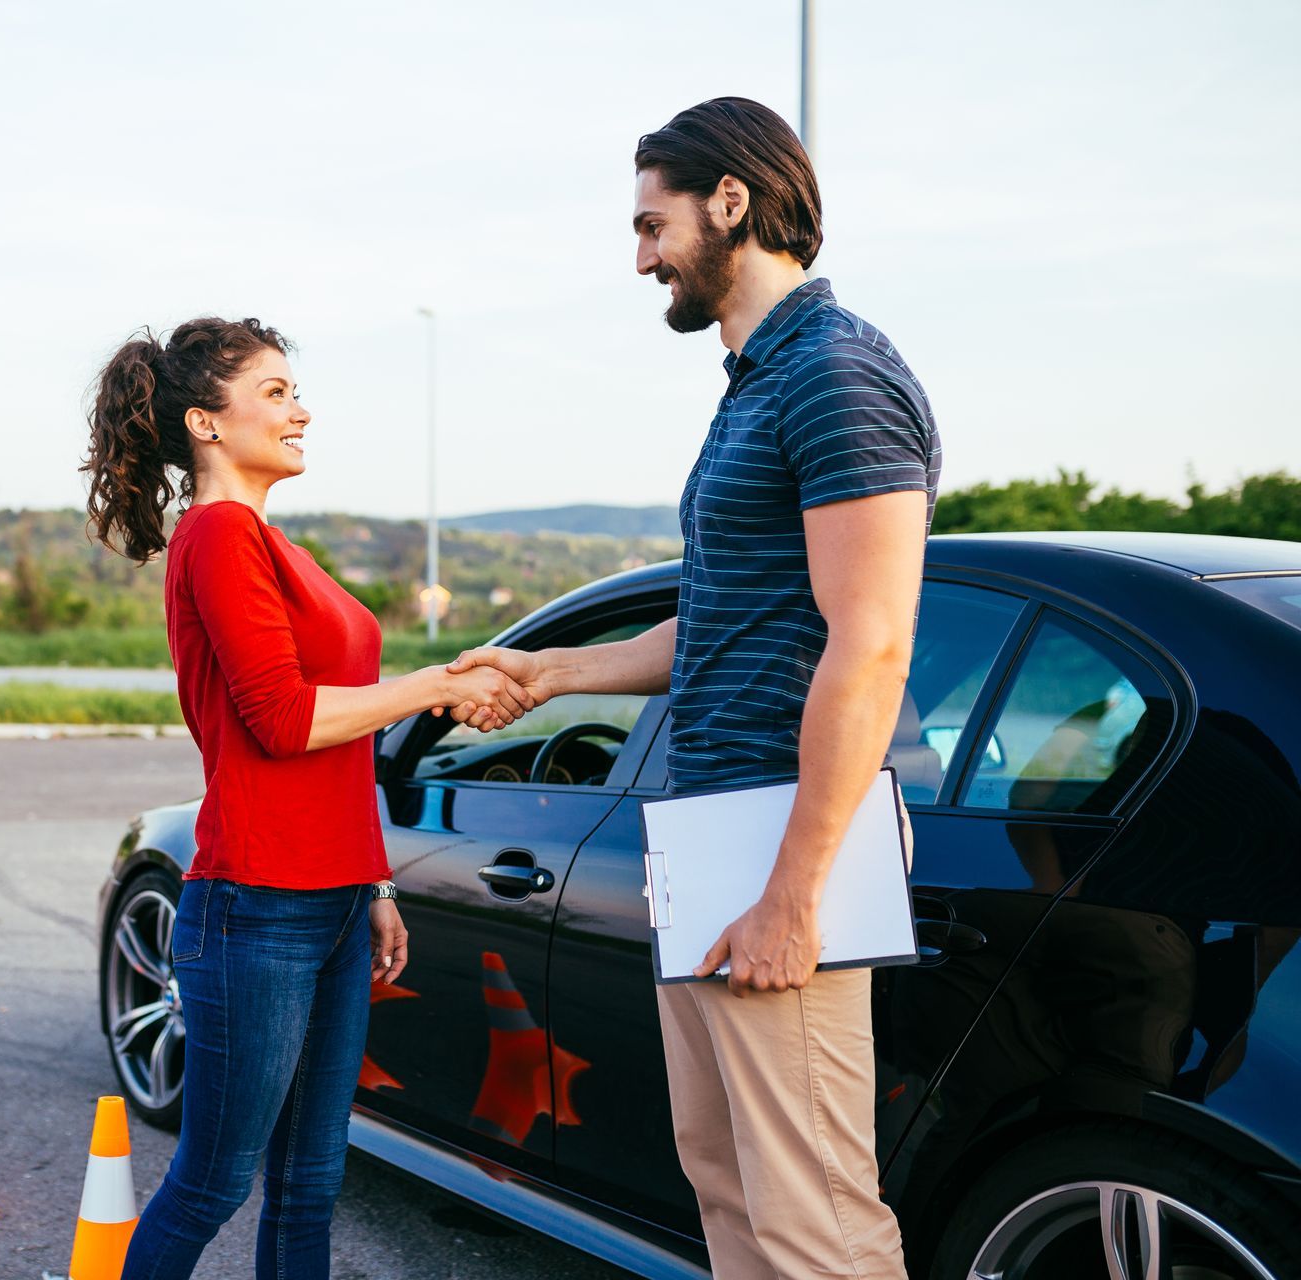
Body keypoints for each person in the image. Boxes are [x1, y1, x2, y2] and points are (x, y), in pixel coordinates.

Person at [448, 99, 941, 1278]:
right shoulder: (754, 384)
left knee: (817, 1212)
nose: (639, 258)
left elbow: (870, 642)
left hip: (782, 828)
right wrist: (555, 669)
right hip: (712, 822)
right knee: (725, 1179)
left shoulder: (835, 371)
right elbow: (726, 616)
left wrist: (794, 890)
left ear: (732, 200)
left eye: (649, 223)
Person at [81, 316, 532, 1279]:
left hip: (326, 899)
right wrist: (444, 684)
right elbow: (285, 719)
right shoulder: (218, 536)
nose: (302, 410)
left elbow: (342, 742)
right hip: (256, 904)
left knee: (310, 1184)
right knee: (213, 1182)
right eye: (277, 393)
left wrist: (373, 882)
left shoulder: (269, 543)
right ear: (207, 421)